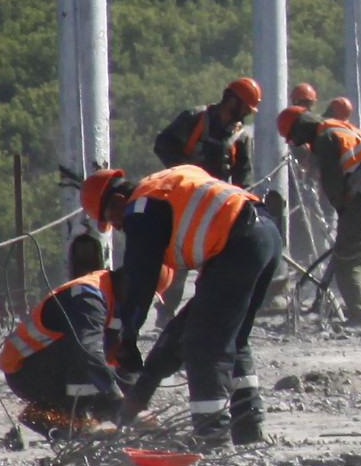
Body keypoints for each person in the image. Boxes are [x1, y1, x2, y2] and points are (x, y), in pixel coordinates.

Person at [83, 161, 281, 447]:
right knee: (231, 336)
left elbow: (140, 279)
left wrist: (128, 336)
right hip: (264, 235)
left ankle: (212, 436)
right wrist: (147, 380)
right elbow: (182, 325)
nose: (118, 227)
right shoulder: (168, 182)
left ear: (117, 200)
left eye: (112, 220)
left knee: (203, 344)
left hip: (239, 244)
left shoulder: (140, 208)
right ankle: (248, 428)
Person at [0, 234, 124, 437]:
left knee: (100, 368)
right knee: (84, 352)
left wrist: (133, 402)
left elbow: (116, 356)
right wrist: (117, 399)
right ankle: (74, 418)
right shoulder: (88, 297)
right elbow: (87, 352)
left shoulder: (112, 298)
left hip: (41, 365)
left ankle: (47, 414)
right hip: (24, 371)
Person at [298, 98, 361, 324]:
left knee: (348, 259)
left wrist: (341, 209)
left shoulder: (326, 137)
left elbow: (333, 184)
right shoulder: (344, 129)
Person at [152, 77, 260, 184]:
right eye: (246, 108)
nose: (247, 113)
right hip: (187, 187)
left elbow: (243, 176)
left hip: (217, 192)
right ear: (232, 101)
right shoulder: (195, 117)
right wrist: (185, 171)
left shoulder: (241, 136)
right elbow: (162, 144)